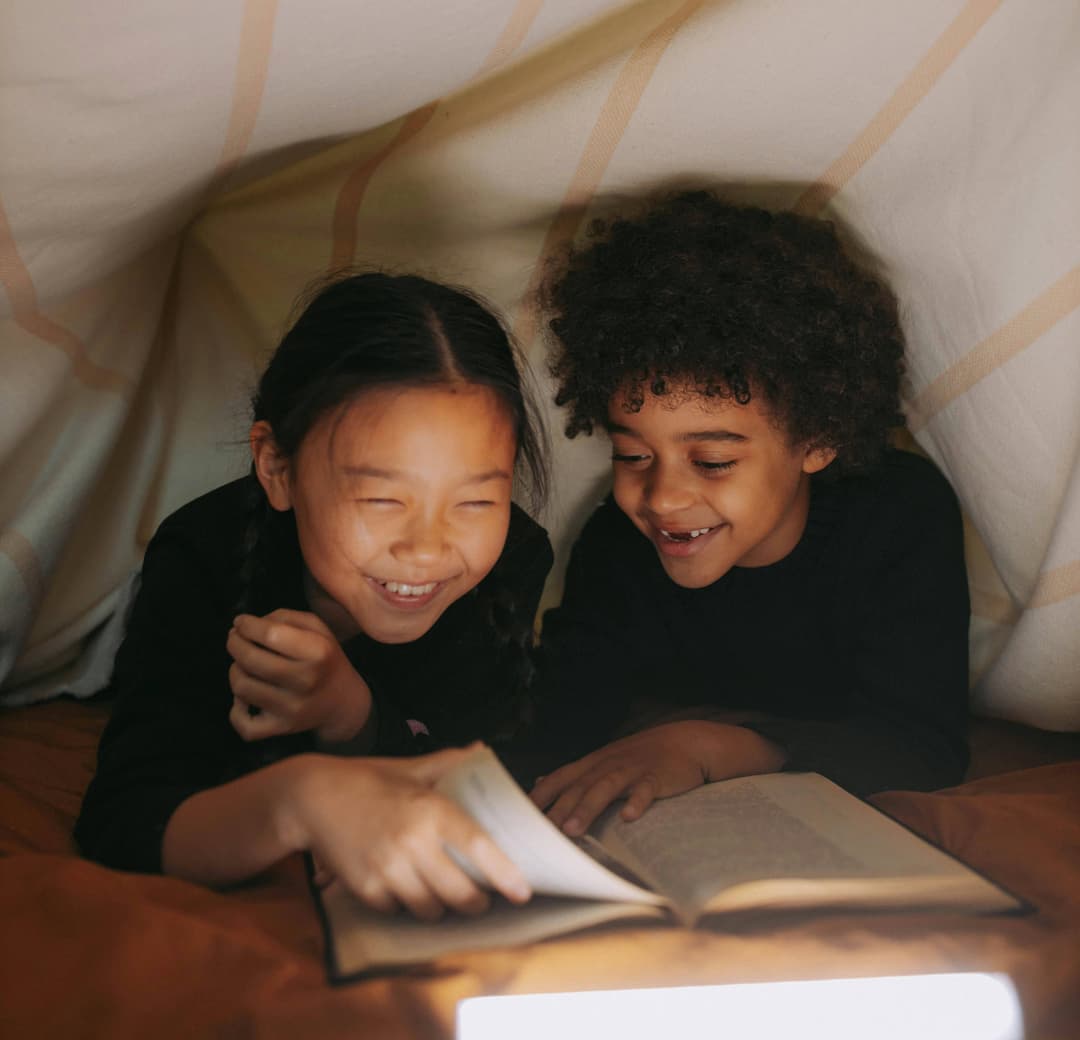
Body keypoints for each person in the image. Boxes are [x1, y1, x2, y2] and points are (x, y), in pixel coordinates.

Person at [76, 272, 553, 920]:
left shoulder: (508, 563)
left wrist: (351, 717)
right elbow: (126, 822)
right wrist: (299, 799)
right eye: (384, 500)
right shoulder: (202, 557)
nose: (428, 548)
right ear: (276, 467)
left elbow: (490, 769)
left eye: (475, 501)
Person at [525, 190, 970, 836]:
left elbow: (923, 747)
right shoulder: (617, 545)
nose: (663, 498)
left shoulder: (897, 516)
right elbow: (557, 726)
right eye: (632, 454)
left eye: (711, 461)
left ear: (817, 438)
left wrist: (709, 747)